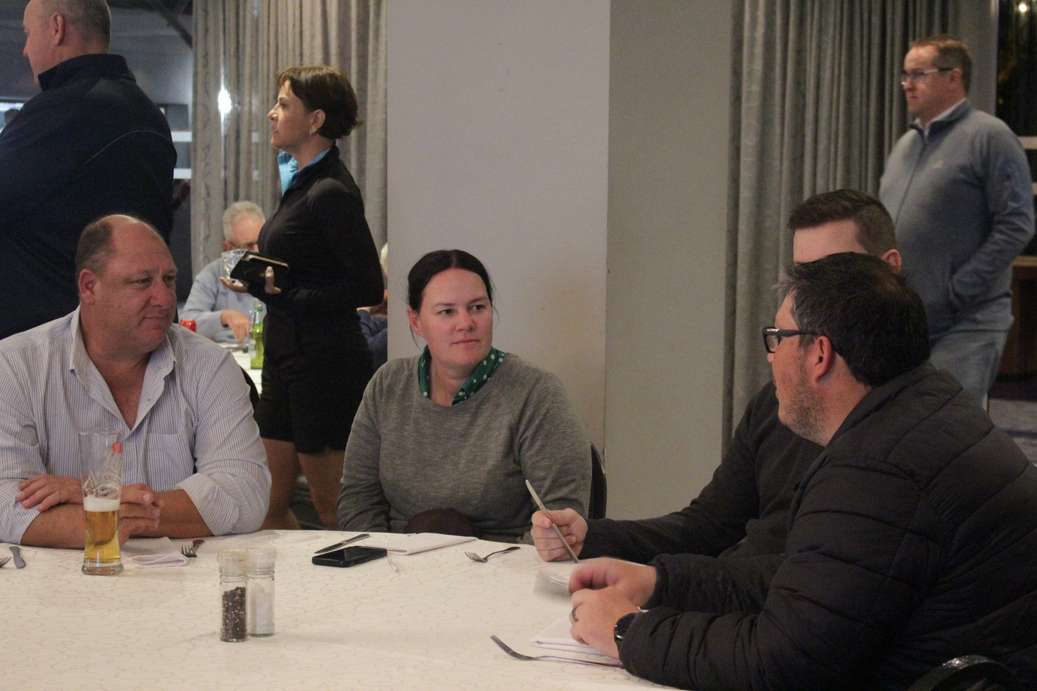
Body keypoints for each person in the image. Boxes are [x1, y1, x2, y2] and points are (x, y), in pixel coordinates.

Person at [566, 253, 1037, 689]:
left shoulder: (875, 470)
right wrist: (664, 582)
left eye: (778, 338)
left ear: (819, 354)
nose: (771, 357)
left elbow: (780, 661)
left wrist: (626, 632)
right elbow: (814, 581)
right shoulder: (927, 409)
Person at [533, 190, 899, 567]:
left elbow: (810, 576)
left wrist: (663, 584)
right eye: (801, 278)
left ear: (889, 270)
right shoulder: (775, 403)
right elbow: (708, 526)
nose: (809, 298)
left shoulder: (897, 426)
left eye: (833, 274)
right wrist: (592, 537)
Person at [0, 215, 270, 546]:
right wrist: (133, 506)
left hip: (185, 576)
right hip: (61, 578)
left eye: (169, 280)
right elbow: (7, 505)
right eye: (142, 282)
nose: (165, 299)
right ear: (89, 286)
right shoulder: (15, 366)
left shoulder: (210, 365)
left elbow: (244, 496)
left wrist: (98, 498)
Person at [337, 249, 591, 542]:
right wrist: (382, 559)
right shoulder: (388, 385)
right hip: (396, 559)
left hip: (505, 562)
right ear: (416, 321)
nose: (466, 323)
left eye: (477, 307)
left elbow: (559, 517)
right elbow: (358, 499)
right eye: (447, 311)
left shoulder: (536, 393)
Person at [224, 65, 383, 529]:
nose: (271, 114)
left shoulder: (330, 190)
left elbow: (368, 288)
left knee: (330, 506)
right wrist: (262, 282)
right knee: (265, 504)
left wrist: (288, 293)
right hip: (284, 356)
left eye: (284, 104)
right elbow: (305, 271)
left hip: (324, 364)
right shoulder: (300, 184)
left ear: (315, 120)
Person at [0, 0, 175, 340]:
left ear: (56, 28)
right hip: (130, 329)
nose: (25, 49)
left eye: (28, 34)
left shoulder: (63, 112)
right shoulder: (148, 113)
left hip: (54, 341)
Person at [880, 34, 1034, 405]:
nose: (907, 84)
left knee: (947, 424)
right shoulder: (905, 145)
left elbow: (1017, 224)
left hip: (967, 323)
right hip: (910, 321)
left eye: (919, 74)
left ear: (954, 77)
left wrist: (957, 291)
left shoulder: (990, 136)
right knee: (904, 423)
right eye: (905, 75)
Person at [181, 201, 264, 344]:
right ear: (228, 248)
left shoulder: (276, 271)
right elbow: (187, 321)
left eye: (261, 242)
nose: (257, 252)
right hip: (225, 352)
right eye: (249, 246)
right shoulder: (211, 275)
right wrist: (223, 317)